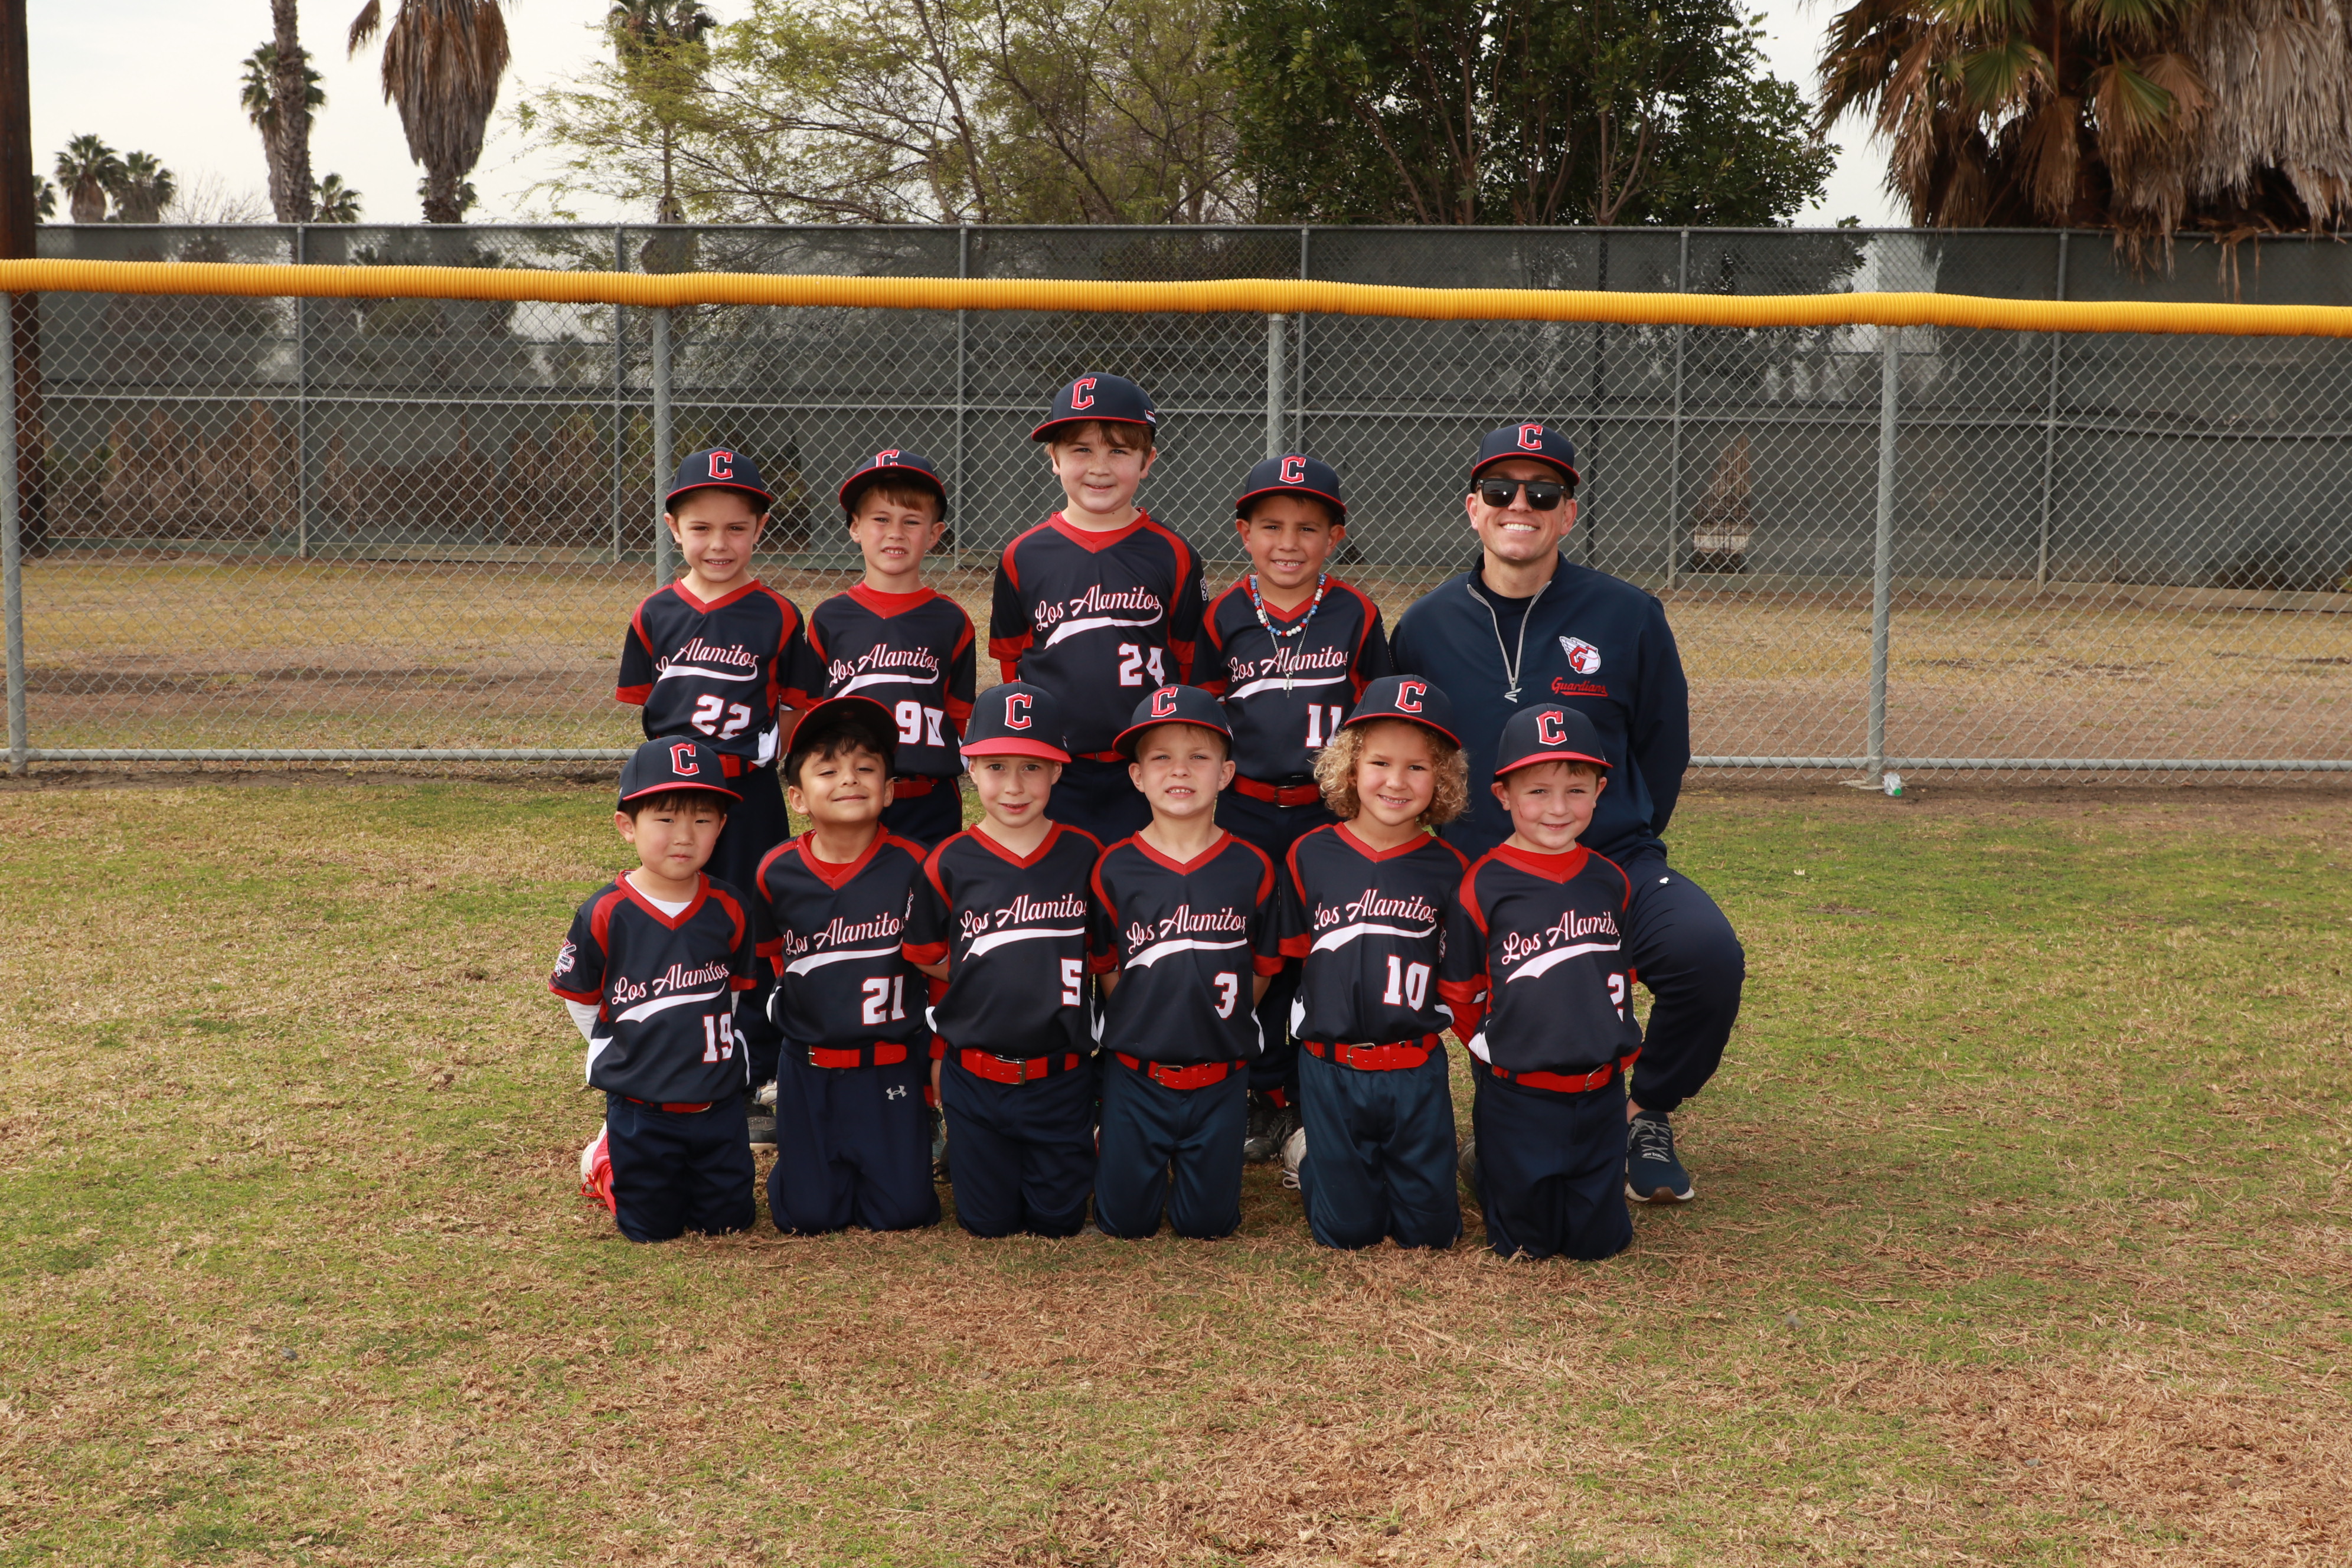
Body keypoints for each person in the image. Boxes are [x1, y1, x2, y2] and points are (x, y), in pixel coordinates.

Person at [1390, 423, 1745, 1206]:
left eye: (1543, 492)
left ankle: (1643, 1111)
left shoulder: (1627, 614)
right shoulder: (1425, 626)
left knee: (1706, 956)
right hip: (1481, 871)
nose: (1520, 505)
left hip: (1610, 857)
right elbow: (1405, 755)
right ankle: (1399, 1119)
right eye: (1500, 490)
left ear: (1569, 513)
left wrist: (1613, 835)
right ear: (1473, 508)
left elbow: (1662, 747)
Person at [1197, 453, 1391, 1167]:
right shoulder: (1223, 614)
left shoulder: (1356, 613)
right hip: (1245, 809)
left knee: (1321, 950)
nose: (1289, 543)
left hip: (1325, 812)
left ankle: (1313, 1095)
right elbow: (1202, 720)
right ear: (1244, 532)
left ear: (1335, 537)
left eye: (1308, 528)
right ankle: (1258, 1087)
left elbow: (1376, 719)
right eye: (1271, 526)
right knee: (1249, 947)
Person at [616, 446, 810, 1144]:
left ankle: (756, 1066)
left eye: (736, 527)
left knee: (754, 921)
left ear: (760, 529)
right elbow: (647, 706)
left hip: (748, 793)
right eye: (701, 528)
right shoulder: (654, 613)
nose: (718, 543)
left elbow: (794, 706)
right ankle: (675, 1047)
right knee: (676, 915)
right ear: (674, 529)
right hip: (675, 795)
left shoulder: (779, 615)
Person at [1439, 705, 1642, 1261]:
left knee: (1600, 1244)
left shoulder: (1611, 880)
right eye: (1537, 792)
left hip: (1600, 1090)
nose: (1557, 808)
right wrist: (1500, 1048)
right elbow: (1461, 993)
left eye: (1576, 790)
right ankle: (1485, 1164)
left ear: (1600, 791)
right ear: (1503, 795)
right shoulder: (1483, 884)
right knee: (1525, 1246)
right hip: (1518, 1096)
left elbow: (1617, 975)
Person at [902, 682, 1103, 1239]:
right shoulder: (948, 861)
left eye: (1032, 767)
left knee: (1057, 1222)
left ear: (1058, 770)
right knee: (986, 1224)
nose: (1014, 786)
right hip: (976, 1074)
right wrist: (987, 972)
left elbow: (1103, 951)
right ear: (970, 767)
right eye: (996, 766)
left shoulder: (1086, 855)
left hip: (1061, 1072)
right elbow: (925, 953)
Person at [1278, 676, 1470, 1250]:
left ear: (1442, 779)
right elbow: (1294, 962)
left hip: (1415, 1066)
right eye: (1380, 762)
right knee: (1347, 1233)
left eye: (1418, 767)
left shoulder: (1450, 867)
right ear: (1350, 767)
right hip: (1331, 1065)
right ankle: (1312, 1155)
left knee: (1431, 1234)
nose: (1396, 781)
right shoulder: (1309, 853)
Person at [1089, 686, 1283, 1241]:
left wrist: (1220, 1019)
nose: (1180, 770)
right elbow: (1107, 967)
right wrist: (1144, 1019)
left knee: (1208, 1225)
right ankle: (1108, 1136)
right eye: (1161, 758)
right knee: (1124, 1224)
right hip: (1136, 1074)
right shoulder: (1114, 868)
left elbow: (1262, 968)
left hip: (1220, 1075)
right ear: (1136, 776)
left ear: (1226, 774)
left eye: (1199, 756)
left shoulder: (1252, 866)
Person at [550, 737, 760, 1244]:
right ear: (628, 826)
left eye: (703, 819)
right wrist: (622, 1046)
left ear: (722, 827)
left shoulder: (731, 907)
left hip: (718, 1101)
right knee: (650, 1230)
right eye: (665, 818)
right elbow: (580, 998)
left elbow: (733, 995)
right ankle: (605, 1163)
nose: (684, 835)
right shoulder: (606, 911)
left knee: (729, 1223)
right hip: (640, 1107)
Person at [988, 373, 1207, 846]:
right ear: (1054, 458)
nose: (1099, 468)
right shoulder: (1023, 555)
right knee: (1058, 878)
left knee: (1143, 879)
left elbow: (1189, 663)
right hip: (1055, 769)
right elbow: (1013, 663)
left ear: (1147, 461)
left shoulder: (1173, 553)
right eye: (1081, 450)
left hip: (1146, 767)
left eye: (1119, 451)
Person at [752, 696, 940, 1234]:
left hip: (890, 1063)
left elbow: (934, 969)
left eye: (866, 768)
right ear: (797, 797)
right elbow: (775, 959)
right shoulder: (776, 870)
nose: (849, 779)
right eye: (828, 770)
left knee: (903, 1215)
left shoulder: (919, 865)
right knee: (807, 1218)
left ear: (889, 790)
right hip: (809, 1066)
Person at [790, 450, 975, 851]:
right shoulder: (830, 617)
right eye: (880, 519)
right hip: (851, 795)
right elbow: (813, 712)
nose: (896, 533)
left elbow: (960, 714)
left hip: (928, 798)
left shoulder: (951, 620)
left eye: (912, 521)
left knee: (929, 888)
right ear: (855, 527)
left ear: (935, 533)